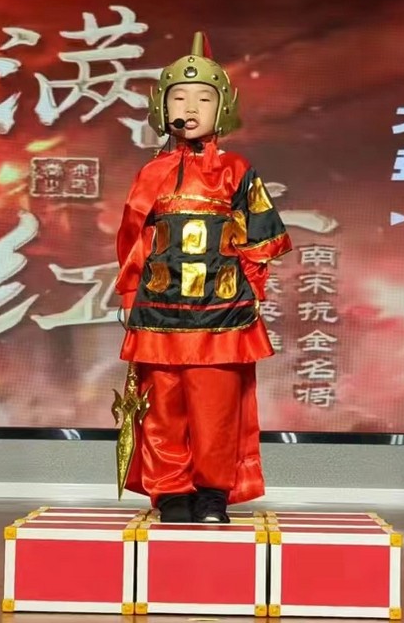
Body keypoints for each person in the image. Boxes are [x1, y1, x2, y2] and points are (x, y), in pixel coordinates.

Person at [113, 31, 292, 523]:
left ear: (223, 108)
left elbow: (259, 239)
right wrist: (128, 294)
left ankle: (213, 493)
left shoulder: (237, 170)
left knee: (216, 407)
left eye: (203, 98)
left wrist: (254, 291)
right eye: (180, 97)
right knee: (162, 407)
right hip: (159, 308)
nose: (190, 107)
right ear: (162, 106)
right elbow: (134, 241)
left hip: (221, 312)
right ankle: (171, 492)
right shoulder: (150, 173)